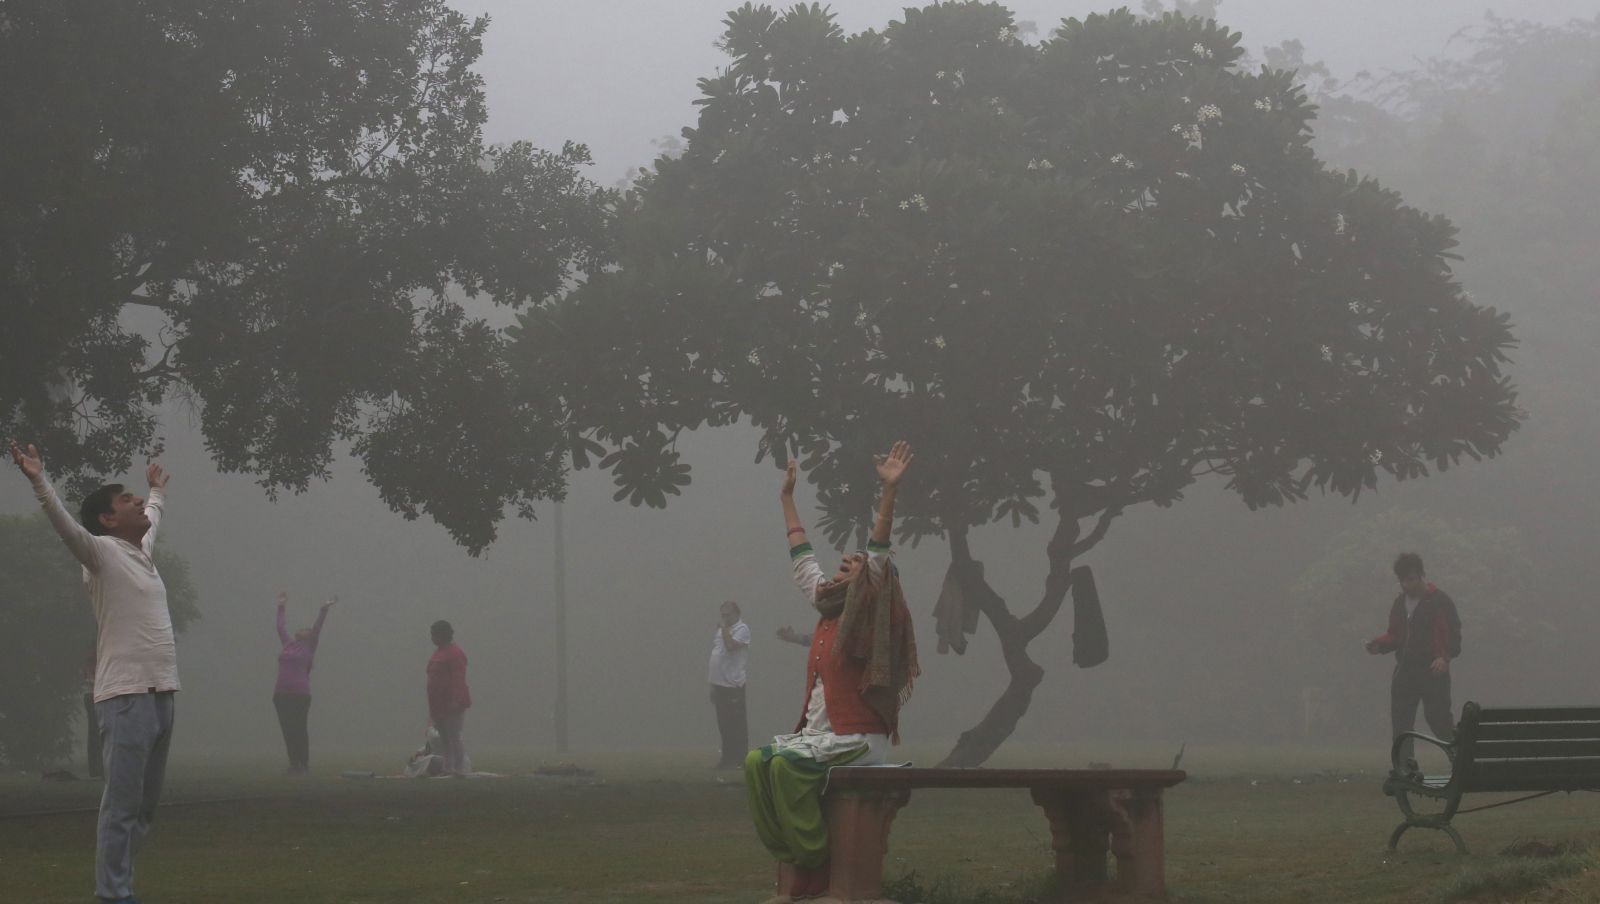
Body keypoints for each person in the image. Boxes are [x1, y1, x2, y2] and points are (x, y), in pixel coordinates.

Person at [745, 442, 920, 902]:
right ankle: (795, 858)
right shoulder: (827, 607)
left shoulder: (870, 607)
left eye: (852, 565)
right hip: (822, 734)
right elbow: (803, 561)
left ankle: (815, 863)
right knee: (756, 762)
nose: (843, 566)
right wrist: (787, 498)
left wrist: (889, 493)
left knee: (784, 767)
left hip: (858, 738)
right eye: (842, 563)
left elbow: (879, 549)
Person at [10, 440, 176, 904]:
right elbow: (65, 526)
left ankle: (118, 887)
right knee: (121, 807)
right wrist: (40, 480)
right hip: (126, 697)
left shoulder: (139, 550)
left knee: (144, 809)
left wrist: (156, 492)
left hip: (163, 692)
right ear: (107, 519)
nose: (139, 503)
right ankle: (113, 896)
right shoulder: (100, 553)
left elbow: (154, 519)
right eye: (128, 500)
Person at [1366, 552, 1462, 765]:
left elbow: (1453, 634)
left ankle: (1460, 760)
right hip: (1406, 670)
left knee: (1438, 720)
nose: (1406, 585)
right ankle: (1405, 768)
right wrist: (1379, 645)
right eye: (1403, 580)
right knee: (1401, 723)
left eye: (1410, 579)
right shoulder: (1400, 603)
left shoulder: (1440, 601)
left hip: (1433, 670)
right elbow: (1396, 635)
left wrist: (1444, 658)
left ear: (1420, 575)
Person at [273, 592, 336, 774]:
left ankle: (303, 763)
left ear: (309, 636)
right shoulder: (287, 644)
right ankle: (294, 764)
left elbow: (317, 627)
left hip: (300, 694)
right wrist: (281, 605)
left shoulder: (309, 647)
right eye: (302, 628)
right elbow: (279, 626)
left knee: (299, 727)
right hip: (280, 694)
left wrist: (323, 610)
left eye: (307, 629)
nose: (304, 629)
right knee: (287, 729)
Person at [709, 600, 752, 768]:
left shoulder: (742, 629)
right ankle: (727, 758)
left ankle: (741, 759)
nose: (725, 618)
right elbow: (717, 653)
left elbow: (730, 646)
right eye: (723, 615)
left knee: (737, 724)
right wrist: (712, 685)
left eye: (728, 615)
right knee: (724, 724)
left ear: (737, 614)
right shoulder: (722, 631)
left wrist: (725, 629)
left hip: (733, 685)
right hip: (719, 684)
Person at [426, 619, 472, 775]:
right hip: (438, 703)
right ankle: (447, 767)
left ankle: (459, 768)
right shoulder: (438, 652)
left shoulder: (455, 653)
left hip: (452, 703)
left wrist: (456, 700)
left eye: (434, 634)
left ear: (443, 634)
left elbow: (459, 678)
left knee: (454, 736)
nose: (432, 638)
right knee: (444, 738)